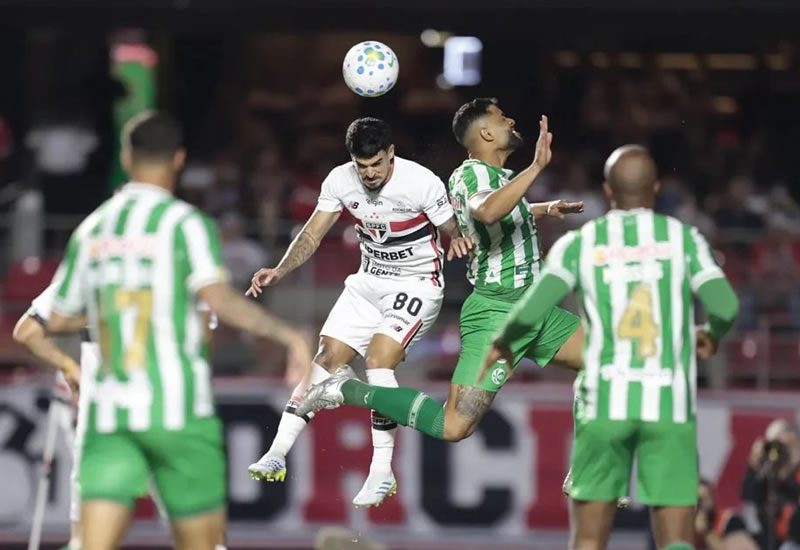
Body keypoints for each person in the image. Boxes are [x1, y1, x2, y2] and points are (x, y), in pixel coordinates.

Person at [46, 111, 313, 550]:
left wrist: (111, 309)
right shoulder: (186, 225)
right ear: (178, 159)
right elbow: (221, 300)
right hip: (180, 413)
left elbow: (55, 319)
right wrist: (289, 336)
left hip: (111, 415)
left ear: (126, 157)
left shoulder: (92, 230)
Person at [480, 145, 740, 550]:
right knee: (675, 537)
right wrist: (711, 333)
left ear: (607, 190)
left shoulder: (581, 244)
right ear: (655, 188)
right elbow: (725, 305)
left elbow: (531, 311)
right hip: (667, 402)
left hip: (603, 402)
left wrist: (503, 344)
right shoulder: (681, 238)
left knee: (588, 538)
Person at [295, 99, 585, 443]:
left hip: (533, 309)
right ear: (486, 132)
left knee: (608, 362)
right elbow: (488, 212)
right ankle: (345, 389)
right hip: (498, 315)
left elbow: (498, 213)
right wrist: (536, 167)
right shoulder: (473, 173)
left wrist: (543, 208)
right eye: (502, 117)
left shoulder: (495, 179)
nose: (511, 120)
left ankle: (585, 468)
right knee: (454, 426)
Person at [247, 116, 474, 508]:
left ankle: (382, 472)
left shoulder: (421, 182)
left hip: (416, 285)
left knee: (379, 359)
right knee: (325, 359)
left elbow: (453, 228)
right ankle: (276, 453)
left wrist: (457, 238)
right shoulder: (340, 180)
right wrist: (280, 268)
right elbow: (312, 234)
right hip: (367, 284)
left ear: (391, 155)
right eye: (361, 166)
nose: (369, 174)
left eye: (376, 164)